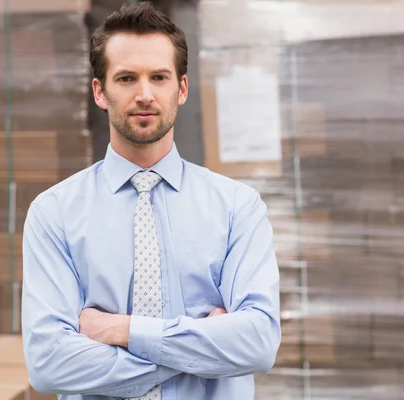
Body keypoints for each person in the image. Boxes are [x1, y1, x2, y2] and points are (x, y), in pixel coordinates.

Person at [21, 2, 281, 399]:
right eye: (126, 78)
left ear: (181, 88)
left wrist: (119, 330)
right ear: (100, 91)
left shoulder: (237, 208)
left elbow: (259, 343)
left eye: (158, 77)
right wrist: (204, 351)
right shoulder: (53, 214)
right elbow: (48, 364)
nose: (144, 94)